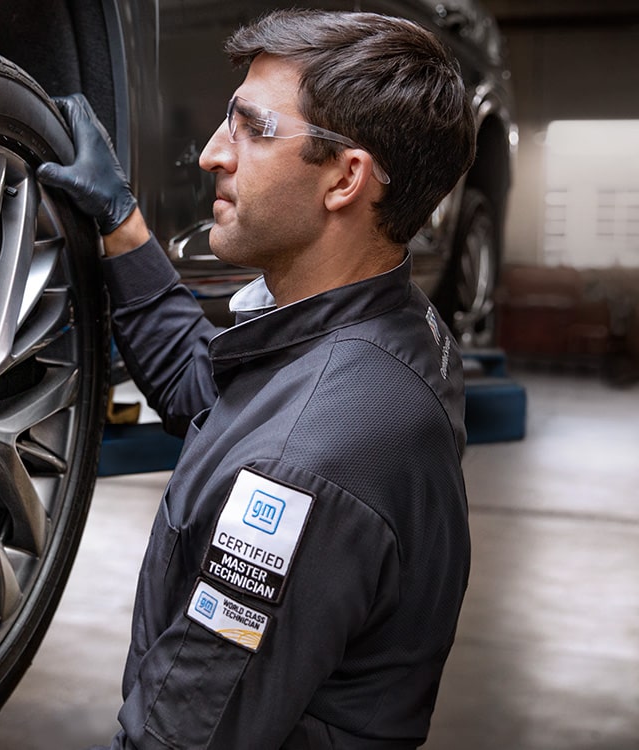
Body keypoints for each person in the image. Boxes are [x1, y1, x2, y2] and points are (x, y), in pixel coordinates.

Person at [36, 9, 477, 749]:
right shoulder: (382, 329)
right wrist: (122, 223)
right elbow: (206, 393)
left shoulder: (301, 473)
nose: (211, 154)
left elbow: (184, 736)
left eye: (253, 129)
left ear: (345, 179)